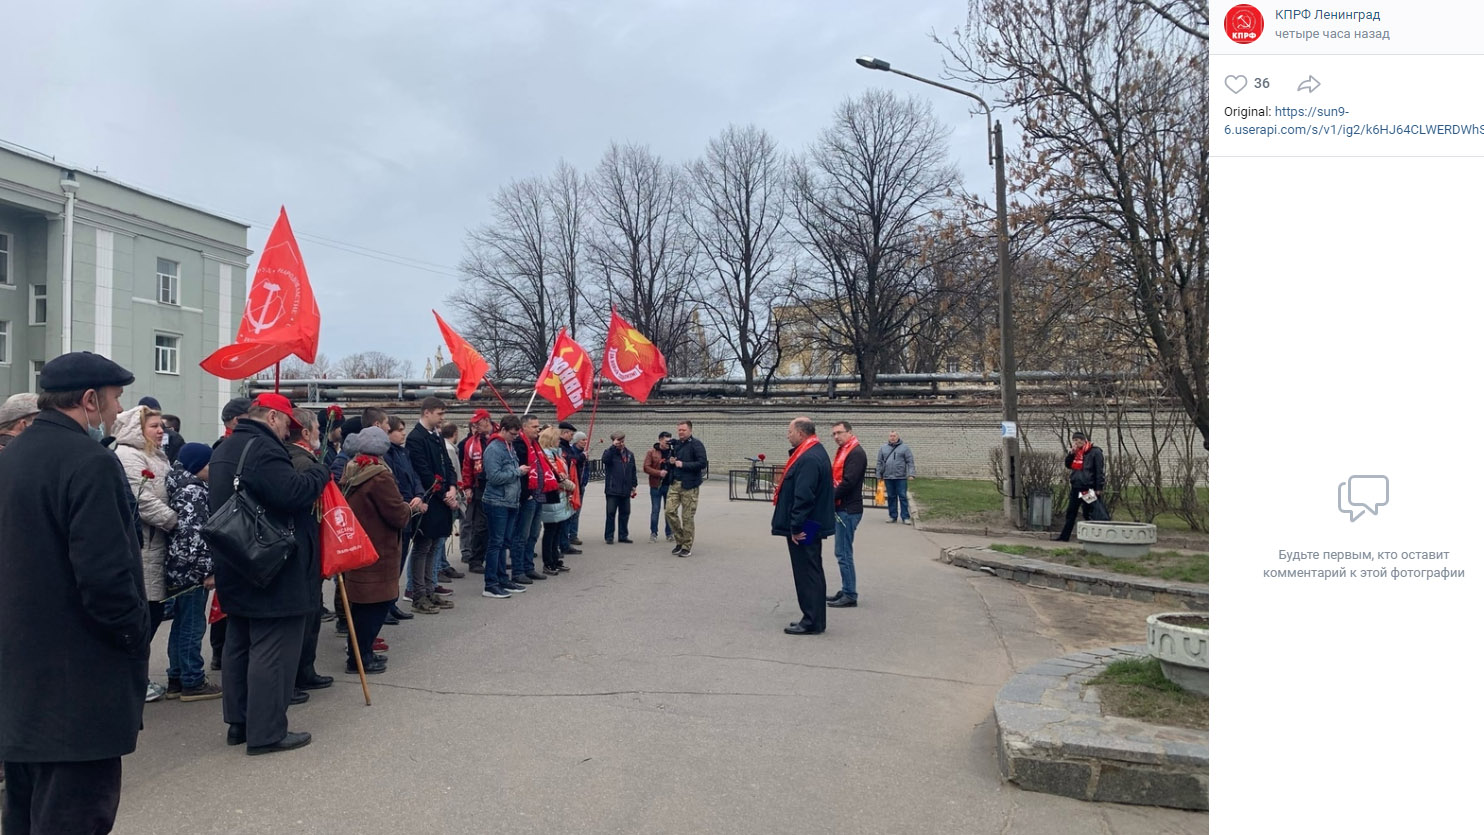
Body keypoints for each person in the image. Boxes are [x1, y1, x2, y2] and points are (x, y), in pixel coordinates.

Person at [0, 351, 148, 834]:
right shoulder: (90, 463)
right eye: (112, 400)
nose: (114, 411)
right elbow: (107, 579)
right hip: (78, 687)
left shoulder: (12, 456)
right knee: (75, 815)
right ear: (88, 399)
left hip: (19, 681)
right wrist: (132, 640)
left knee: (23, 814)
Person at [208, 392, 330, 755]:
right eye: (287, 423)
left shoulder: (226, 447)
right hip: (270, 563)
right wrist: (320, 470)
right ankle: (266, 731)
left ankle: (240, 723)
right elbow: (292, 494)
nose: (288, 431)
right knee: (273, 648)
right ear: (274, 418)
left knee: (239, 643)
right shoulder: (263, 450)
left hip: (237, 558)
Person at [340, 426, 420, 674]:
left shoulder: (353, 468)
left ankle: (359, 653)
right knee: (376, 605)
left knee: (362, 605)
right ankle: (360, 657)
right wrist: (410, 508)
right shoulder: (379, 476)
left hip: (362, 545)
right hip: (379, 548)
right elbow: (396, 513)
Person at [113, 403, 179, 703]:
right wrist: (175, 521)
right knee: (145, 616)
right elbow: (143, 501)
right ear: (138, 430)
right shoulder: (127, 455)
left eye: (161, 426)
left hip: (159, 545)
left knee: (152, 614)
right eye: (154, 426)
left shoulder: (154, 454)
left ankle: (134, 678)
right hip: (146, 546)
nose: (160, 430)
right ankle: (129, 681)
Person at [164, 442, 221, 701]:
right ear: (198, 466)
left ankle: (176, 676)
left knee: (181, 623)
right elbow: (195, 536)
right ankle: (192, 679)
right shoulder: (194, 492)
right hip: (191, 569)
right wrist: (207, 570)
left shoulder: (179, 486)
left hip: (178, 567)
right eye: (209, 464)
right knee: (192, 624)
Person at [285, 408, 334, 695]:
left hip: (308, 545)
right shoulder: (301, 461)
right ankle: (296, 675)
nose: (319, 432)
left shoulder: (304, 458)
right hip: (301, 546)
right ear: (304, 432)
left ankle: (306, 670)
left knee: (312, 611)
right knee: (304, 613)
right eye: (316, 428)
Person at [771, 417, 835, 635]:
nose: (788, 435)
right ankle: (813, 617)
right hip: (811, 522)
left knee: (807, 571)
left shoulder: (808, 457)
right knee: (811, 569)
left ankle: (812, 621)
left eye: (790, 431)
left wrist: (796, 526)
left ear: (801, 433)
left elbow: (804, 496)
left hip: (806, 525)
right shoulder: (813, 451)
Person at [208, 396, 254, 673]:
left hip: (230, 528)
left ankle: (222, 651)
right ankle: (220, 650)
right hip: (232, 528)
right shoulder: (227, 448)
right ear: (237, 420)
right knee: (227, 599)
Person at [406, 398, 458, 614]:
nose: (442, 418)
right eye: (439, 413)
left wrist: (453, 487)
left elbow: (447, 464)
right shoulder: (416, 438)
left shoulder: (436, 436)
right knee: (423, 546)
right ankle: (418, 593)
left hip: (443, 498)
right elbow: (423, 470)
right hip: (429, 500)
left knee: (436, 545)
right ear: (427, 413)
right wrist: (443, 493)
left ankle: (430, 588)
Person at [480, 414, 531, 599]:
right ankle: (491, 583)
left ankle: (502, 579)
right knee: (496, 543)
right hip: (496, 501)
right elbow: (493, 476)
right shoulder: (494, 449)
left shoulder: (509, 447)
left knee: (504, 543)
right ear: (502, 430)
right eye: (512, 434)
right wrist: (517, 472)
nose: (515, 437)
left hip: (510, 501)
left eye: (517, 434)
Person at [828, 420, 867, 608]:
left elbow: (848, 482)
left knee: (843, 552)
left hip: (848, 509)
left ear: (850, 432)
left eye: (839, 433)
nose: (836, 437)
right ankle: (846, 588)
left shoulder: (856, 453)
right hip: (843, 508)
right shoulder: (845, 451)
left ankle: (850, 593)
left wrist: (829, 498)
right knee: (842, 551)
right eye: (833, 434)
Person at [510, 414, 551, 585]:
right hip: (527, 496)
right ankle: (518, 570)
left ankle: (529, 567)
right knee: (522, 535)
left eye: (538, 426)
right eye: (534, 426)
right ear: (524, 427)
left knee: (534, 533)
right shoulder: (520, 444)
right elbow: (521, 472)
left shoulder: (536, 446)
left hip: (538, 494)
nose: (538, 429)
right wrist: (525, 492)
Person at [663, 419, 708, 557]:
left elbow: (702, 463)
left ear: (690, 430)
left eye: (683, 430)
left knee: (687, 517)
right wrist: (671, 462)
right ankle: (680, 539)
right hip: (675, 483)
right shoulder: (676, 445)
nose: (681, 432)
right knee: (669, 512)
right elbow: (672, 461)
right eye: (679, 430)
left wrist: (684, 465)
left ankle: (686, 546)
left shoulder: (696, 444)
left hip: (690, 485)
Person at [1054, 431, 1110, 541]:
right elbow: (1068, 465)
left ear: (1083, 441)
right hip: (1076, 487)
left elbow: (1099, 471)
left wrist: (1099, 487)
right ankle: (1064, 537)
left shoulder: (1094, 452)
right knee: (1071, 513)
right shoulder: (1076, 453)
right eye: (1074, 440)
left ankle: (1093, 537)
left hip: (1087, 488)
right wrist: (1071, 454)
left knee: (1089, 512)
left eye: (1078, 440)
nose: (1076, 443)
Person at [458, 409, 494, 573]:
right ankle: (476, 559)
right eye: (474, 424)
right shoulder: (471, 443)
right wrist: (467, 487)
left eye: (478, 423)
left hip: (499, 486)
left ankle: (494, 558)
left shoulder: (500, 435)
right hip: (481, 487)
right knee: (480, 525)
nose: (476, 427)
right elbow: (467, 467)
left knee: (497, 526)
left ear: (487, 421)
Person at [537, 426, 577, 574]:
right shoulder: (547, 455)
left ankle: (555, 559)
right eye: (557, 438)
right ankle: (548, 562)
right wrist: (569, 485)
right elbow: (554, 476)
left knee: (558, 530)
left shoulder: (556, 453)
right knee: (551, 531)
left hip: (560, 496)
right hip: (552, 496)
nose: (559, 440)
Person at [602, 432, 638, 544]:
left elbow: (633, 471)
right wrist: (613, 447)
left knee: (625, 513)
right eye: (619, 441)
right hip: (612, 489)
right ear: (614, 441)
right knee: (611, 513)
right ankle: (609, 536)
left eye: (622, 441)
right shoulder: (609, 453)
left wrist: (634, 485)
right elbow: (605, 460)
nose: (621, 443)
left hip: (625, 489)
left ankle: (623, 535)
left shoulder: (630, 454)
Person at [557, 421, 585, 556]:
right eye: (570, 434)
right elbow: (570, 460)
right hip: (564, 486)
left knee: (568, 516)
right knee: (564, 517)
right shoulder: (560, 447)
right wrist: (582, 457)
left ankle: (565, 543)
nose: (571, 437)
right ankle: (562, 544)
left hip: (571, 484)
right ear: (564, 433)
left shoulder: (566, 446)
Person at [876, 431, 916, 524]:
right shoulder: (883, 448)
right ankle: (892, 516)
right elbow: (879, 462)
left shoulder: (905, 448)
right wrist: (879, 475)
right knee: (891, 497)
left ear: (898, 437)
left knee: (902, 496)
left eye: (894, 436)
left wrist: (911, 474)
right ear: (888, 437)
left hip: (900, 477)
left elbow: (910, 461)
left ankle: (905, 517)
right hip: (888, 477)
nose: (892, 437)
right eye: (891, 436)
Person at [643, 431, 674, 543]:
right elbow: (646, 467)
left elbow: (677, 467)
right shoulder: (652, 452)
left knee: (669, 510)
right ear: (660, 440)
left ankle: (669, 533)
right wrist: (658, 473)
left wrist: (673, 463)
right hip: (656, 485)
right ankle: (653, 533)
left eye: (670, 441)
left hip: (669, 485)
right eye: (666, 441)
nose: (668, 443)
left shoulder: (672, 452)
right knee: (655, 510)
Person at [569, 430, 590, 546]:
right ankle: (568, 534)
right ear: (577, 441)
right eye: (583, 440)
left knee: (577, 511)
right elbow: (574, 462)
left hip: (581, 486)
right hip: (573, 485)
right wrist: (581, 457)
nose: (585, 442)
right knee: (571, 511)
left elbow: (586, 469)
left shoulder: (583, 453)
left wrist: (585, 481)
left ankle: (573, 534)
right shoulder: (573, 452)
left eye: (586, 439)